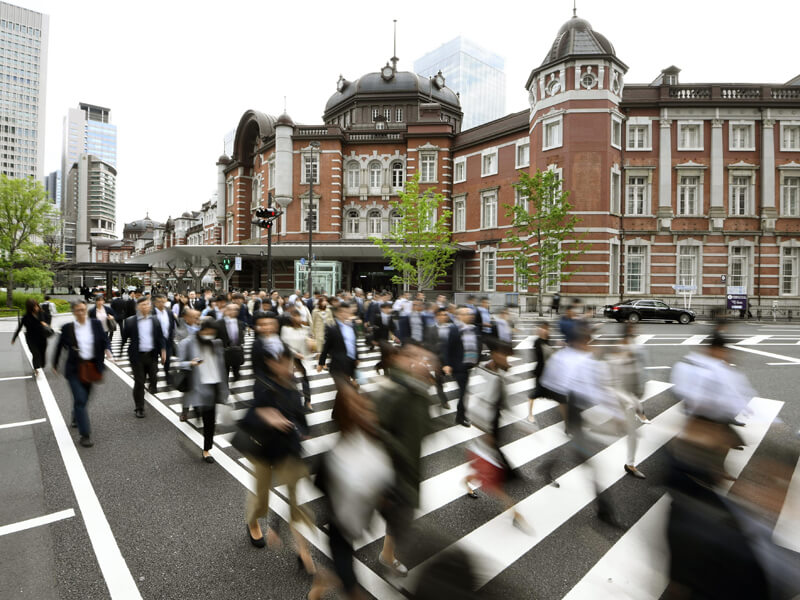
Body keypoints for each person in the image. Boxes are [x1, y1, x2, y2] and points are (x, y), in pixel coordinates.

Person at [242, 349, 315, 577]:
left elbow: (302, 420)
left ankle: (303, 551)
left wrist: (300, 430)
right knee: (261, 497)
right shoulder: (262, 386)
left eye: (290, 363)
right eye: (283, 363)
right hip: (264, 450)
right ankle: (253, 522)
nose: (288, 368)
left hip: (288, 451)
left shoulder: (293, 388)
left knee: (297, 504)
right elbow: (248, 418)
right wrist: (266, 417)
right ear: (272, 365)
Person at [372, 343, 433, 577]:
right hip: (393, 468)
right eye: (411, 357)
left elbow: (425, 427)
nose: (417, 362)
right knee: (398, 515)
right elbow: (376, 430)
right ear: (397, 359)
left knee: (399, 514)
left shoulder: (414, 389)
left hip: (405, 468)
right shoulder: (392, 390)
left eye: (420, 357)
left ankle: (387, 555)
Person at [463, 339, 531, 532]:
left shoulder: (499, 376)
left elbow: (505, 403)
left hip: (495, 431)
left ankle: (467, 481)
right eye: (503, 355)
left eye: (508, 356)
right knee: (495, 477)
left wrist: (522, 424)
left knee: (492, 468)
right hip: (487, 433)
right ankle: (515, 514)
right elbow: (473, 400)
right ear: (494, 354)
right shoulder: (482, 373)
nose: (506, 359)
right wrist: (484, 430)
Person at [52, 299, 113, 447]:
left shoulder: (96, 324)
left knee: (85, 398)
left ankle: (76, 415)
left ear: (86, 310)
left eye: (83, 309)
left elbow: (104, 340)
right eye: (78, 310)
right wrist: (55, 364)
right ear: (73, 312)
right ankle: (85, 434)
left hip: (92, 367)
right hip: (74, 369)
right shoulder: (67, 328)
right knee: (80, 399)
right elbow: (59, 346)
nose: (81, 312)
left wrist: (108, 350)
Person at [176, 318, 228, 462]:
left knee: (210, 421)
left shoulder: (216, 344)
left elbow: (222, 368)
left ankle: (207, 450)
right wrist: (190, 363)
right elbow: (179, 363)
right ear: (202, 329)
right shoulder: (188, 343)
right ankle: (195, 410)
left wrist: (224, 390)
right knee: (203, 414)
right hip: (198, 387)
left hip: (213, 387)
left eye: (214, 333)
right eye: (209, 332)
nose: (211, 335)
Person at [121, 296, 166, 418]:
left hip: (151, 355)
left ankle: (152, 384)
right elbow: (124, 338)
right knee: (139, 382)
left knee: (153, 378)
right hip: (137, 356)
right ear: (138, 307)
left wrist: (163, 350)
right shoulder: (130, 321)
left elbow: (160, 337)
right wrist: (119, 351)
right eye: (143, 305)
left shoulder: (155, 321)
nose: (146, 306)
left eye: (147, 304)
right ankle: (139, 408)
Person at [425, 307, 459, 410]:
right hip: (437, 360)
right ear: (436, 316)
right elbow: (428, 345)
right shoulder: (430, 329)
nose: (445, 317)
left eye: (446, 315)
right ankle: (443, 400)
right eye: (442, 315)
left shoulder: (452, 328)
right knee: (439, 381)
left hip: (451, 360)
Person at [281, 307, 313, 412]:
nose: (296, 318)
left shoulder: (305, 329)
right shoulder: (285, 329)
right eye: (294, 316)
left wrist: (311, 347)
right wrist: (295, 354)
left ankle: (307, 402)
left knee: (305, 380)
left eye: (298, 316)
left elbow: (308, 344)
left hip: (302, 358)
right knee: (289, 381)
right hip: (289, 358)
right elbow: (284, 344)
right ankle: (290, 403)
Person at [317, 302, 359, 381]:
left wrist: (357, 358)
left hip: (350, 364)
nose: (345, 314)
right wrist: (321, 363)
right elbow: (326, 347)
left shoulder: (351, 326)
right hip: (338, 366)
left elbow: (353, 344)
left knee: (348, 390)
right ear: (337, 313)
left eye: (347, 312)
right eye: (343, 312)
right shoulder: (332, 329)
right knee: (345, 390)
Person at [454, 306, 480, 427]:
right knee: (464, 392)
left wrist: (476, 360)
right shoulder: (455, 329)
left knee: (464, 392)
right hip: (459, 367)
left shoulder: (473, 329)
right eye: (466, 314)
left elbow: (476, 344)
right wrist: (448, 364)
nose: (470, 316)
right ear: (459, 316)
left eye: (470, 314)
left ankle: (461, 415)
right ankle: (460, 417)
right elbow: (448, 347)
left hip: (469, 365)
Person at [11, 298, 50, 376]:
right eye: (34, 306)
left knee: (42, 352)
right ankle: (36, 369)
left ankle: (41, 364)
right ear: (30, 308)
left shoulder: (41, 313)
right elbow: (19, 327)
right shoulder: (26, 317)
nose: (36, 308)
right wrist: (14, 338)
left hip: (42, 337)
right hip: (31, 338)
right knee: (35, 353)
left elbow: (47, 319)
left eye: (36, 306)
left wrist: (45, 323)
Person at [527, 321, 554, 425]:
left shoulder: (548, 340)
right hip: (540, 372)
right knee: (534, 394)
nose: (545, 330)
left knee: (559, 395)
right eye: (543, 328)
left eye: (547, 328)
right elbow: (539, 356)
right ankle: (530, 414)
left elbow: (550, 355)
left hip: (549, 373)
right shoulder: (537, 342)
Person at [217, 302, 245, 385]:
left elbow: (241, 335)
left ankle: (236, 376)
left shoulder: (240, 323)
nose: (233, 311)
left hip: (236, 351)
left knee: (236, 369)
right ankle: (225, 389)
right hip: (224, 352)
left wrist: (241, 344)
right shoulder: (219, 323)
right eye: (230, 309)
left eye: (235, 310)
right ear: (225, 311)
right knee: (225, 373)